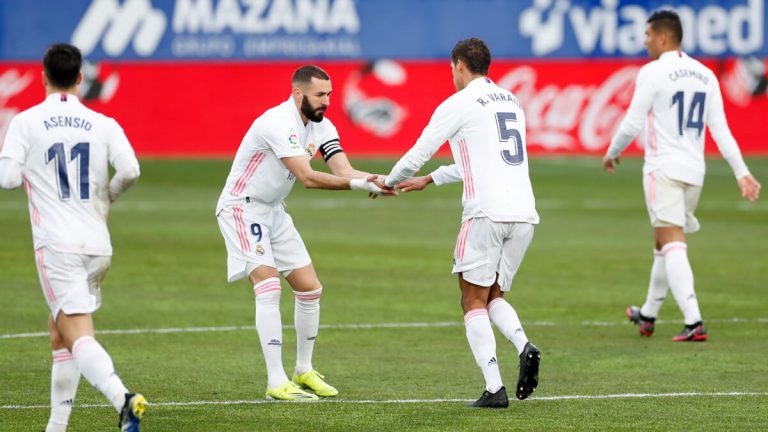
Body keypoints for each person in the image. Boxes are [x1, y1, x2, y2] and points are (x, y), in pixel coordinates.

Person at [381, 38, 541, 408]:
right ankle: (523, 344)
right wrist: (432, 179)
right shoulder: (512, 101)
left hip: (485, 212)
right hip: (524, 215)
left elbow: (417, 153)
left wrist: (388, 182)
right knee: (494, 294)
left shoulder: (459, 103)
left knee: (471, 298)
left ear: (458, 65)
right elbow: (487, 161)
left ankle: (494, 388)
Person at [215, 65, 389, 401]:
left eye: (329, 94)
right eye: (319, 95)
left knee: (310, 288)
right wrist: (358, 184)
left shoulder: (323, 126)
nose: (326, 101)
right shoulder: (277, 123)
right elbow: (308, 177)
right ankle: (276, 381)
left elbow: (344, 170)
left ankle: (303, 370)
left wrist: (380, 179)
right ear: (299, 94)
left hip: (274, 210)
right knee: (267, 286)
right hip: (242, 207)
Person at [0, 44, 145, 431]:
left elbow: (8, 179)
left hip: (57, 245)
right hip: (98, 244)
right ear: (82, 78)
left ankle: (122, 398)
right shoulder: (103, 123)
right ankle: (56, 426)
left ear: (43, 76)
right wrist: (108, 194)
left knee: (76, 333)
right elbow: (130, 169)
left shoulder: (26, 122)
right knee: (60, 332)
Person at [603, 10, 761, 342]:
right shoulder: (705, 75)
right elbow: (721, 130)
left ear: (662, 37)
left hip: (663, 169)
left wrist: (613, 150)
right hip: (695, 173)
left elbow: (633, 121)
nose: (644, 41)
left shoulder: (652, 72)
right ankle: (648, 313)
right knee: (662, 240)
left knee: (672, 239)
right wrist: (742, 172)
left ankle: (694, 321)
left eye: (647, 35)